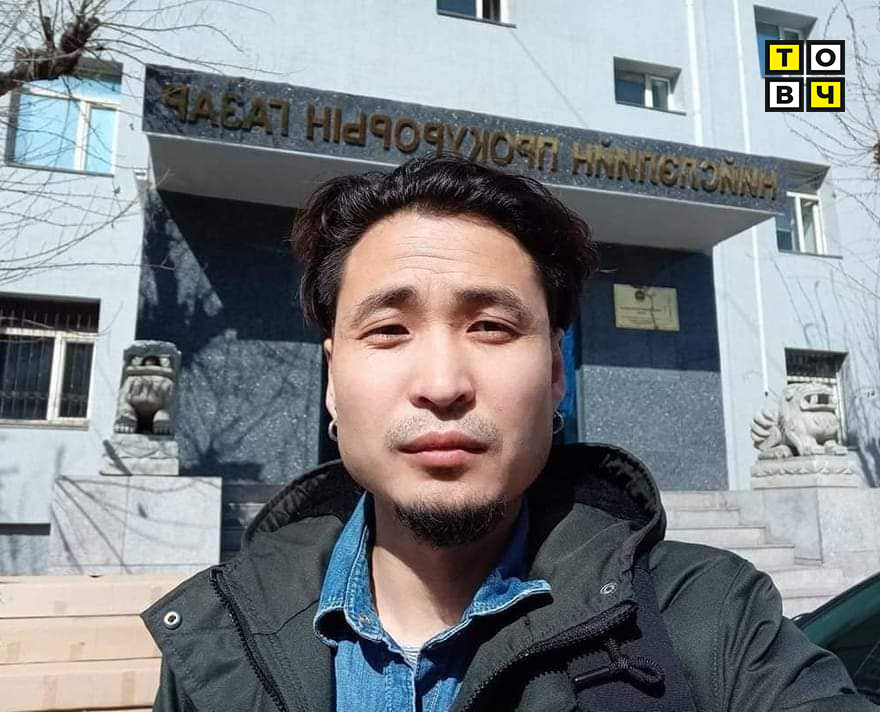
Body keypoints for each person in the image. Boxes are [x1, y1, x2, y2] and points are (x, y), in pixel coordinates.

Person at [142, 155, 872, 711]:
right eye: (388, 329)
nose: (442, 384)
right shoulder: (222, 636)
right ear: (333, 378)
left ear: (555, 371)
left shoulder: (709, 618)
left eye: (491, 326)